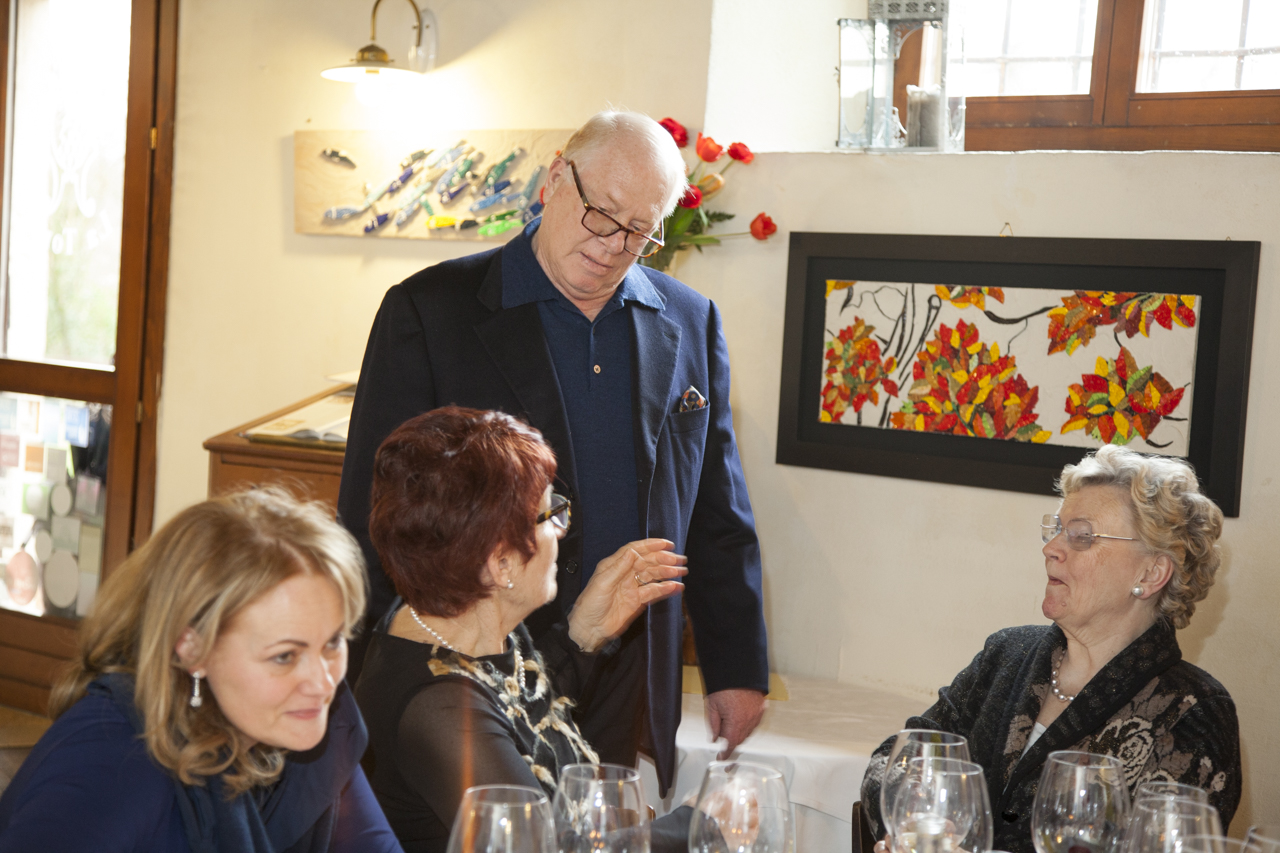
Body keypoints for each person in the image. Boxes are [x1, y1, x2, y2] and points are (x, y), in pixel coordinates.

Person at [338, 110, 769, 792]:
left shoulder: (690, 319)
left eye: (639, 231)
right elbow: (371, 512)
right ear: (556, 179)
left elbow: (718, 506)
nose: (612, 244)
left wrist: (736, 666)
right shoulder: (430, 310)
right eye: (602, 213)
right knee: (507, 826)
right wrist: (358, 672)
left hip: (629, 656)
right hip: (483, 660)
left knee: (603, 825)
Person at [860, 445, 1241, 853]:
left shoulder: (1194, 712)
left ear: (1151, 573)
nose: (1051, 548)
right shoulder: (1006, 654)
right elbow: (894, 762)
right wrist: (919, 830)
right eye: (1056, 529)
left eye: (1081, 536)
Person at [354, 407, 692, 853]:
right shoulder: (438, 709)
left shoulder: (461, 617)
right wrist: (695, 827)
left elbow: (513, 711)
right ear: (501, 563)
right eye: (550, 513)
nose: (562, 529)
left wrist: (582, 634)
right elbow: (539, 846)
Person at [0, 488, 403, 853]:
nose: (323, 682)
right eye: (284, 657)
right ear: (192, 648)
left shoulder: (315, 720)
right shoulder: (110, 760)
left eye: (333, 642)